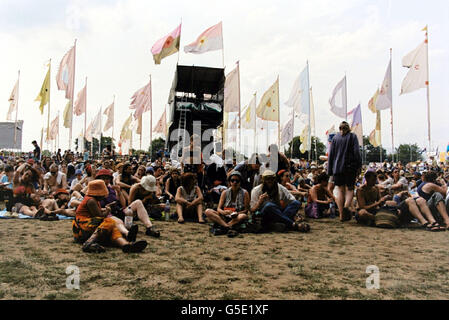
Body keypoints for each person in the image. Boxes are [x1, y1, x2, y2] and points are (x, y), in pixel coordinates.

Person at [72, 180, 148, 253]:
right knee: (109, 221)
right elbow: (100, 216)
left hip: (87, 226)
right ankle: (88, 243)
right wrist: (108, 210)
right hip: (82, 227)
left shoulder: (92, 200)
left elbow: (97, 212)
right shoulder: (91, 201)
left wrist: (107, 207)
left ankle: (125, 245)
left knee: (113, 228)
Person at [327, 121, 362, 222]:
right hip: (350, 167)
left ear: (340, 128)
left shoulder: (335, 138)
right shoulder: (352, 137)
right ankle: (347, 206)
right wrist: (359, 165)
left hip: (337, 169)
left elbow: (331, 155)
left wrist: (330, 170)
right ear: (348, 128)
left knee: (340, 190)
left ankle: (342, 214)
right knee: (350, 189)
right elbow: (356, 152)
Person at [205, 171, 249, 236]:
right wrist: (223, 212)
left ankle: (224, 226)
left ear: (240, 182)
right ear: (229, 182)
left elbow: (246, 210)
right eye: (232, 180)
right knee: (207, 211)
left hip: (236, 216)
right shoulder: (225, 192)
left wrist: (237, 213)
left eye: (237, 181)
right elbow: (219, 208)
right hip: (225, 215)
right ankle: (227, 227)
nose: (235, 182)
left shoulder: (245, 193)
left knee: (243, 216)